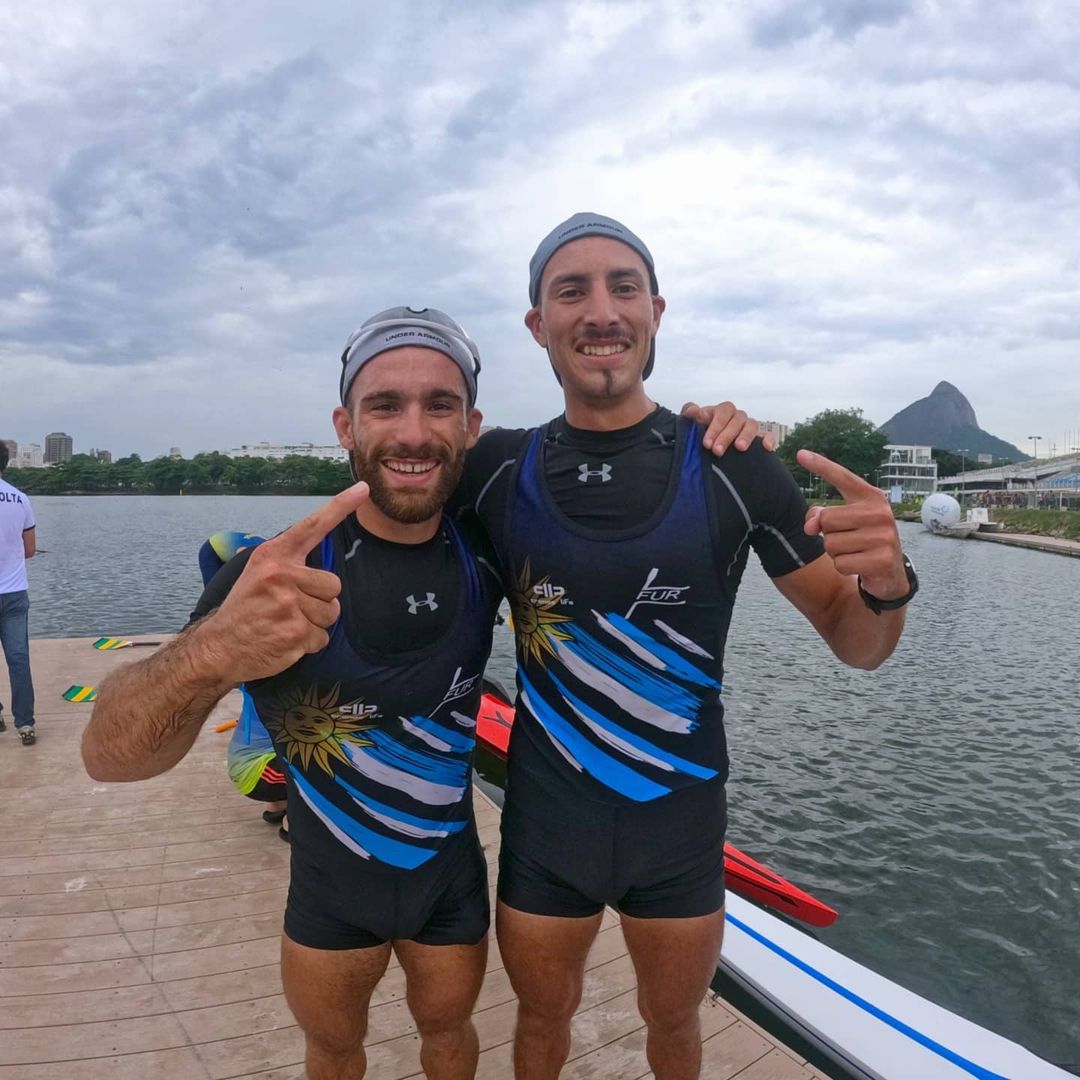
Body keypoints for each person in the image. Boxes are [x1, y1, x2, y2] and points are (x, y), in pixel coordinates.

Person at [452, 212, 917, 1079]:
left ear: (656, 311)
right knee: (541, 1022)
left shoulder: (732, 464)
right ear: (536, 325)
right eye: (572, 290)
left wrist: (889, 583)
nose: (601, 310)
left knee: (674, 1028)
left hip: (680, 834)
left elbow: (857, 645)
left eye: (623, 287)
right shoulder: (494, 471)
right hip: (548, 830)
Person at [82, 308, 504, 1080]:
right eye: (385, 405)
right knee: (334, 1052)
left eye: (438, 404)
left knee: (450, 1038)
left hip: (452, 885)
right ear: (345, 425)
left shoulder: (490, 549)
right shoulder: (270, 571)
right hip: (329, 896)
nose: (412, 431)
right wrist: (213, 648)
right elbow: (110, 758)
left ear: (471, 425)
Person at [198, 532, 290, 835]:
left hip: (249, 768)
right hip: (257, 772)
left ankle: (276, 808)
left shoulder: (249, 669)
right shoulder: (282, 673)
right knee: (328, 764)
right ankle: (297, 823)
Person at [0, 442, 37, 746]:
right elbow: (30, 550)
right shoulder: (20, 498)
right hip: (14, 593)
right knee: (18, 658)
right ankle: (25, 723)